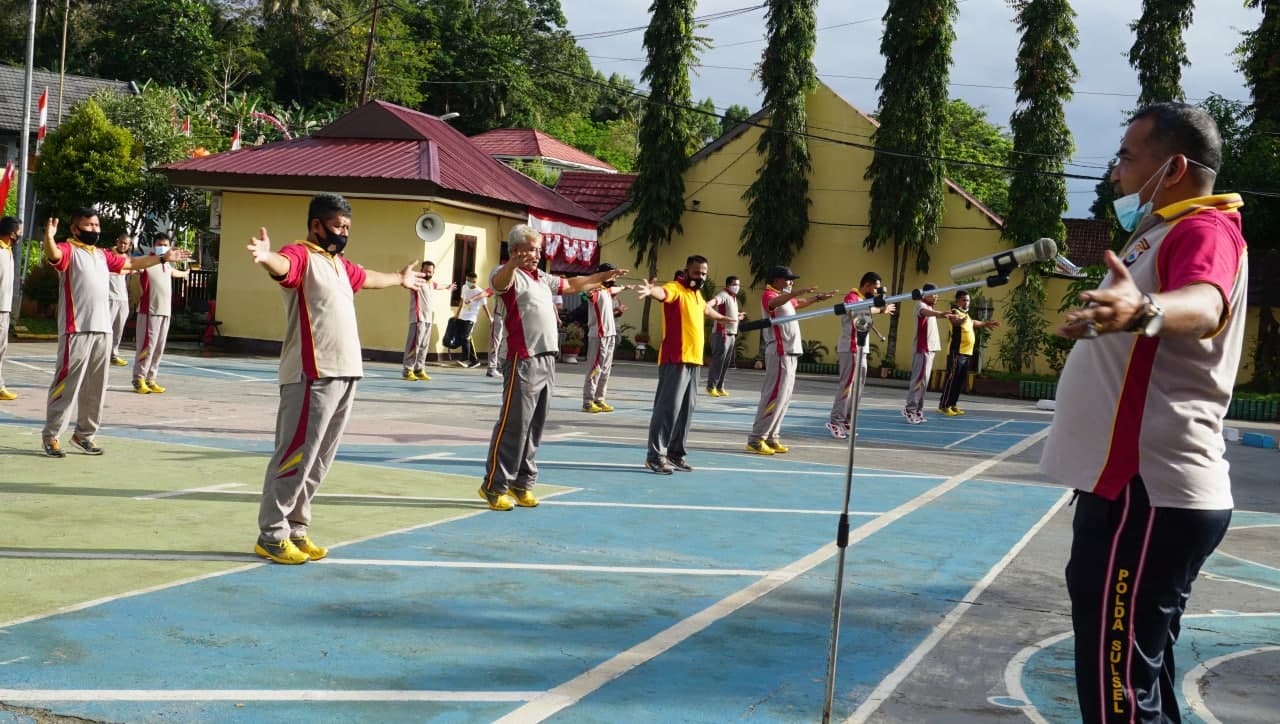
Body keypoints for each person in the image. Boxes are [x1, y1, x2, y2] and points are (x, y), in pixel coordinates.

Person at [1040, 102, 1247, 724]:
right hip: (1131, 491)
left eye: (1128, 158)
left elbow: (1205, 304)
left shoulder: (1203, 230)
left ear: (1175, 167)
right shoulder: (1158, 231)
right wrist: (1105, 319)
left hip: (1149, 491)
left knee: (1118, 696)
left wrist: (1144, 310)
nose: (1115, 174)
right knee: (1138, 682)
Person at [247, 194, 426, 564]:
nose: (344, 233)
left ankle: (297, 528)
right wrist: (266, 257)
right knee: (295, 456)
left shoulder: (339, 265)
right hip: (312, 374)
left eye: (347, 228)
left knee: (320, 460)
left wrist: (399, 278)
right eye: (338, 226)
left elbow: (369, 278)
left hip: (346, 372)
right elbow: (283, 268)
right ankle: (272, 534)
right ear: (317, 225)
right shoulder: (300, 255)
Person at [479, 225, 626, 510]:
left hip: (547, 358)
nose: (536, 254)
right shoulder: (509, 275)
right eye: (530, 249)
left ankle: (523, 483)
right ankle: (494, 487)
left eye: (537, 249)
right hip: (524, 358)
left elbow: (571, 285)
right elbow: (498, 283)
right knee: (514, 425)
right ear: (516, 250)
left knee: (535, 425)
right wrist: (512, 263)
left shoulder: (540, 278)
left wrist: (601, 278)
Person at [41, 208, 191, 458]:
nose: (94, 229)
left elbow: (132, 263)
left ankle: (84, 435)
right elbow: (53, 254)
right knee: (67, 385)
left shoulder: (103, 256)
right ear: (75, 229)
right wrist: (48, 237)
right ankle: (52, 435)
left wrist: (163, 258)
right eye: (88, 225)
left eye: (97, 225)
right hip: (76, 329)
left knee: (96, 388)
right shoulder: (69, 250)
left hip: (103, 329)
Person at [637, 255, 743, 474]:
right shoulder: (675, 288)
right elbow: (663, 294)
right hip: (675, 359)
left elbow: (705, 309)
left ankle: (676, 453)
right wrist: (651, 291)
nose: (700, 276)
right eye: (696, 272)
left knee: (685, 411)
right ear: (687, 271)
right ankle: (655, 456)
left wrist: (723, 319)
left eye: (704, 273)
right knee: (668, 409)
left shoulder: (696, 295)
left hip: (694, 360)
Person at [746, 266, 836, 455]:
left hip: (790, 352)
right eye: (788, 280)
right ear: (776, 280)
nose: (791, 282)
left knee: (784, 398)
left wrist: (818, 298)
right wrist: (794, 292)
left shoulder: (784, 297)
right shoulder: (769, 295)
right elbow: (777, 302)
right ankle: (756, 438)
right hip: (779, 352)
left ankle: (772, 437)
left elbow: (799, 303)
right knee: (773, 396)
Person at [827, 272, 895, 439]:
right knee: (847, 386)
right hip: (850, 347)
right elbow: (853, 313)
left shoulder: (866, 300)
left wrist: (878, 307)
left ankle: (847, 420)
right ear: (867, 285)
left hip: (861, 349)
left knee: (858, 388)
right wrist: (879, 310)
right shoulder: (852, 297)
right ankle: (835, 421)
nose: (876, 291)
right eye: (875, 288)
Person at [131, 231, 190, 394]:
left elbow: (174, 273)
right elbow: (134, 266)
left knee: (158, 348)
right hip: (149, 312)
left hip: (165, 312)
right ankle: (139, 379)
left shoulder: (166, 264)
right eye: (159, 245)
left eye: (165, 245)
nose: (162, 248)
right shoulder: (148, 262)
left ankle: (151, 379)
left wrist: (185, 273)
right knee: (146, 347)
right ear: (153, 246)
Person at [936, 290, 999, 416]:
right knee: (952, 380)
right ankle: (943, 406)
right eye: (964, 300)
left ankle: (952, 405)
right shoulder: (954, 311)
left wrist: (987, 323)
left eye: (968, 300)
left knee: (959, 381)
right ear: (958, 301)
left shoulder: (965, 314)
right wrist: (962, 319)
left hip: (966, 353)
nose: (967, 302)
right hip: (956, 352)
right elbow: (955, 322)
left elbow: (973, 322)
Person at [902, 283, 956, 425]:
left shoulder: (930, 307)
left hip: (930, 349)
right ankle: (910, 409)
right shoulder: (920, 306)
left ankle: (918, 410)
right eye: (934, 294)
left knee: (924, 383)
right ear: (925, 294)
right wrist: (941, 314)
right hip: (922, 349)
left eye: (938, 293)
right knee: (918, 382)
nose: (936, 296)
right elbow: (927, 313)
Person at [582, 262, 628, 413]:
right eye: (611, 274)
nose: (614, 277)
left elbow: (616, 288)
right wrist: (594, 282)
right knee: (595, 369)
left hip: (610, 335)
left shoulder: (607, 291)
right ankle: (588, 401)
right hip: (598, 336)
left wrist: (626, 288)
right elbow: (585, 293)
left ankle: (599, 399)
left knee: (605, 369)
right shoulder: (594, 290)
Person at [402, 261, 454, 381]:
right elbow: (406, 283)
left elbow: (437, 286)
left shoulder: (430, 283)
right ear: (421, 270)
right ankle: (407, 370)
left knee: (424, 346)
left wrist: (447, 287)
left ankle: (419, 369)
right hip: (418, 318)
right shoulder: (417, 281)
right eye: (425, 270)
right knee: (414, 345)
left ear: (433, 272)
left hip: (428, 319)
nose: (428, 273)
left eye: (430, 271)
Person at [706, 275, 741, 397]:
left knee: (726, 363)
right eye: (734, 284)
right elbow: (715, 301)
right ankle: (711, 387)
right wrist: (707, 305)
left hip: (732, 334)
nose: (737, 287)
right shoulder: (724, 295)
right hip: (722, 333)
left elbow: (730, 313)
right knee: (718, 361)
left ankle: (720, 386)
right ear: (728, 285)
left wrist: (738, 316)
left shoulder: (733, 297)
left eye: (738, 284)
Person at [0, 216, 20, 401]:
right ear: (11, 232)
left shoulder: (8, 250)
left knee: (1, 349)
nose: (19, 234)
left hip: (4, 309)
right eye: (18, 231)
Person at [107, 233, 134, 367]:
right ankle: (102, 353)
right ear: (117, 241)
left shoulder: (128, 258)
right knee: (107, 327)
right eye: (121, 242)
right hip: (109, 297)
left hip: (122, 298)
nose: (122, 245)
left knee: (119, 327)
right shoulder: (109, 254)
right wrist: (127, 271)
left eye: (126, 243)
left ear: (129, 246)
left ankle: (114, 353)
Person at [453, 271, 491, 368]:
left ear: (476, 281)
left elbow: (485, 306)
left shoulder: (479, 291)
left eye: (472, 281)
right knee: (464, 337)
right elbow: (462, 301)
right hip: (462, 316)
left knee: (465, 337)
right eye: (468, 280)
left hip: (471, 317)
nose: (469, 282)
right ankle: (474, 360)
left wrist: (490, 318)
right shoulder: (464, 287)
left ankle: (466, 359)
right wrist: (457, 314)